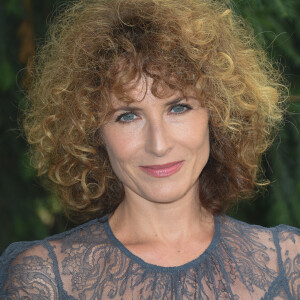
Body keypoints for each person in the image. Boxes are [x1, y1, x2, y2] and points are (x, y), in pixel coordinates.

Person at [0, 0, 299, 298]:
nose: (159, 144)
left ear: (218, 115)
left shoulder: (288, 265)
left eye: (179, 108)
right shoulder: (44, 280)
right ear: (91, 134)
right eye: (128, 116)